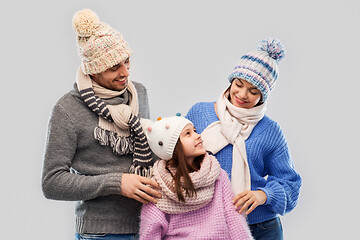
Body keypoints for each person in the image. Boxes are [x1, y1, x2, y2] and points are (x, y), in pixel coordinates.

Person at [41, 9, 161, 240]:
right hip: (102, 232)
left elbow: (147, 150)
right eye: (114, 67)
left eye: (126, 61)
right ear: (93, 69)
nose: (125, 72)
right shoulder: (67, 109)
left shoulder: (139, 93)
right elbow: (51, 182)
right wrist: (117, 183)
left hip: (150, 224)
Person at [185, 38, 302, 240]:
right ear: (231, 81)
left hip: (260, 228)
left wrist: (263, 195)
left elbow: (290, 184)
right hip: (206, 224)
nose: (242, 94)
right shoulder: (199, 113)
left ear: (263, 97)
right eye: (239, 84)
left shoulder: (270, 130)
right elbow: (176, 158)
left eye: (253, 91)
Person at [139, 116, 254, 240]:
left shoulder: (217, 174)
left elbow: (234, 219)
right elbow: (151, 229)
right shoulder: (158, 185)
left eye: (195, 131)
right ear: (172, 147)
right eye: (188, 134)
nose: (198, 135)